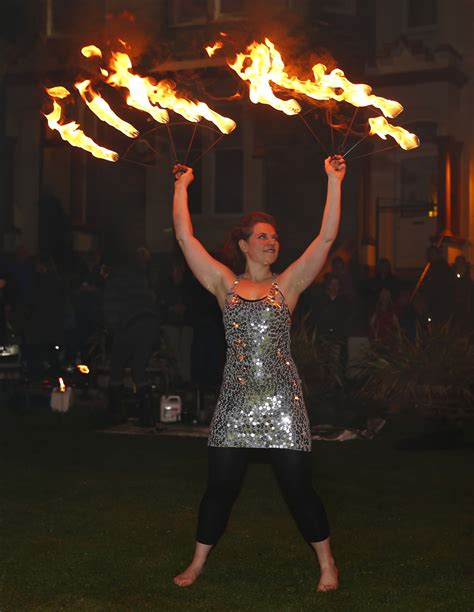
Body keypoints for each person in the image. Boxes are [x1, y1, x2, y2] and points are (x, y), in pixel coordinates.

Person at [171, 155, 346, 592]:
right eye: (263, 236)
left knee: (298, 488)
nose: (272, 242)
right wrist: (182, 186)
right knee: (220, 488)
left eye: (275, 236)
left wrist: (334, 180)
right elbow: (184, 235)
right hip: (234, 403)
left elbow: (325, 239)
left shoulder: (286, 285)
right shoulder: (223, 285)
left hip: (283, 403)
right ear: (244, 245)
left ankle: (328, 565)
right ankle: (196, 564)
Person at [103, 247, 159, 426]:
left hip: (129, 322)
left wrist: (112, 327)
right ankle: (147, 413)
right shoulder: (141, 279)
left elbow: (110, 304)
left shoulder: (116, 279)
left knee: (117, 367)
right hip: (149, 323)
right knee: (139, 368)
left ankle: (116, 411)